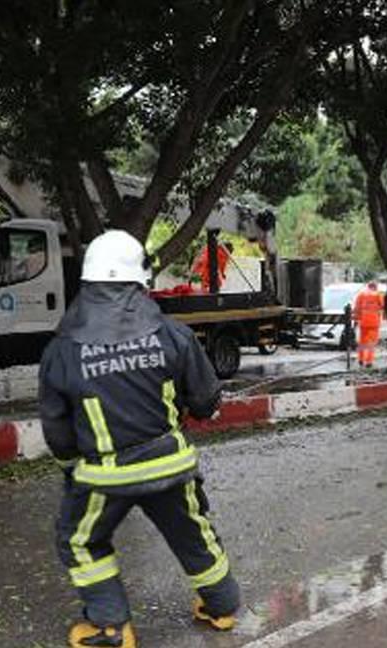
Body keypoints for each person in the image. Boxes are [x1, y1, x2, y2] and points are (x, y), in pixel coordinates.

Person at [39, 230, 240, 648]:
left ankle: (111, 627)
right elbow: (205, 402)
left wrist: (71, 470)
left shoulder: (62, 348)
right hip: (170, 467)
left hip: (105, 476)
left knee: (78, 540)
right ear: (139, 281)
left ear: (88, 281)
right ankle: (221, 607)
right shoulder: (172, 334)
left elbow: (58, 431)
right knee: (192, 533)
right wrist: (201, 406)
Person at [353, 280, 386, 369]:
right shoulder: (378, 295)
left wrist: (356, 319)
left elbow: (357, 308)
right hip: (374, 322)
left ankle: (361, 359)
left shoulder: (361, 295)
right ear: (375, 287)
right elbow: (383, 306)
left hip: (363, 321)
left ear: (368, 286)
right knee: (371, 342)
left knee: (362, 341)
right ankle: (369, 361)